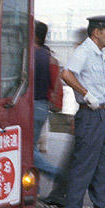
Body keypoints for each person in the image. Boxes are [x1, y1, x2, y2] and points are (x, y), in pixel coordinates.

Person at [59, 15, 105, 208]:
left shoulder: (98, 55)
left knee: (104, 164)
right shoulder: (84, 52)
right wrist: (86, 94)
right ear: (97, 32)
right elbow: (67, 74)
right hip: (90, 114)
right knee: (84, 164)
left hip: (103, 113)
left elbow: (95, 80)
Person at [32, 21, 58, 178]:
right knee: (31, 148)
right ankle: (35, 188)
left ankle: (57, 174)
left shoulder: (30, 54)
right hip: (43, 106)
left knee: (27, 149)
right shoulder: (47, 55)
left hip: (31, 107)